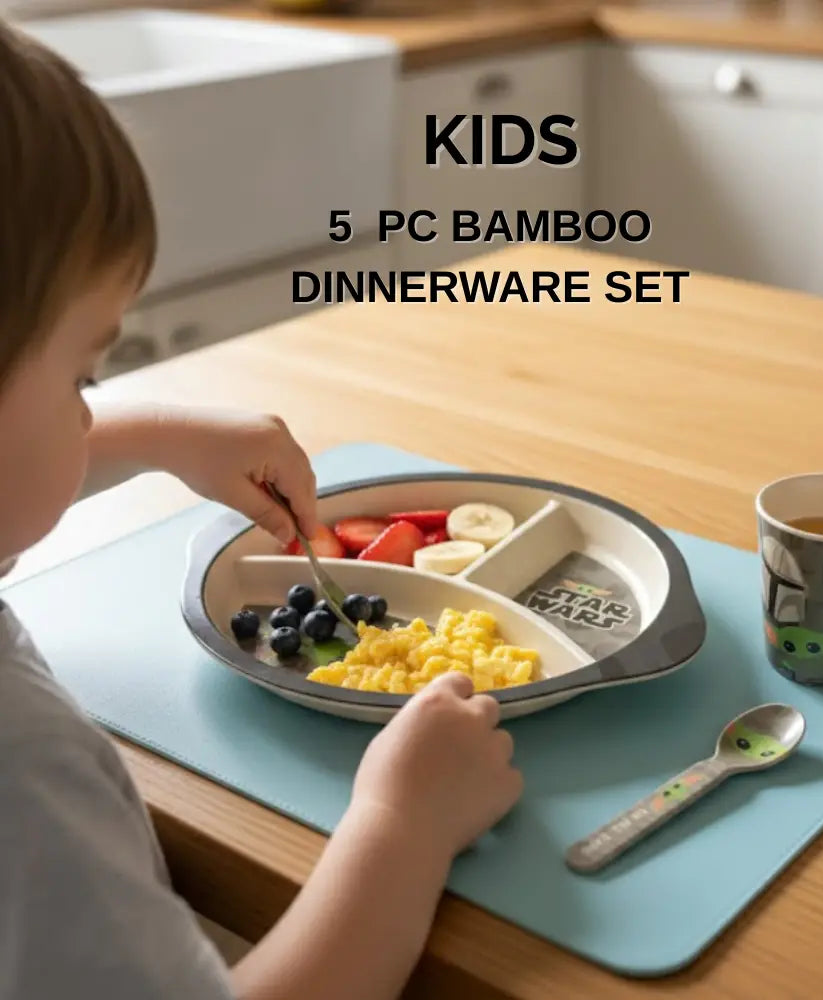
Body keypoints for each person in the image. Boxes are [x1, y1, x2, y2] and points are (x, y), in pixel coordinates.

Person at [0, 19, 523, 1000]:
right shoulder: (25, 777)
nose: (89, 407)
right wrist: (400, 825)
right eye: (83, 374)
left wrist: (154, 429)